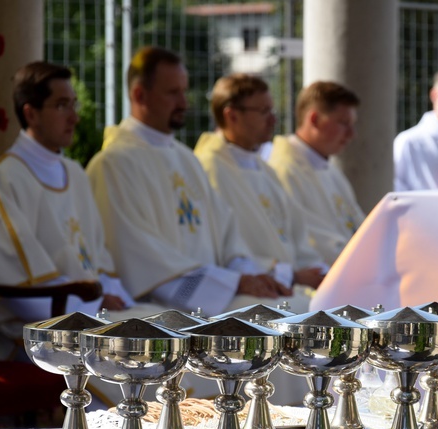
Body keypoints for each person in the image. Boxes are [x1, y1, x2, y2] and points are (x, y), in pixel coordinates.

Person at [0, 61, 158, 361]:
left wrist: (114, 301)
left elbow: (99, 260)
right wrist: (91, 308)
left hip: (89, 317)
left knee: (167, 332)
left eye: (73, 104)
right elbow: (13, 285)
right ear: (31, 113)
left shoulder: (74, 172)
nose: (74, 117)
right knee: (141, 359)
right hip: (31, 338)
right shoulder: (4, 178)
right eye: (61, 106)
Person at [86, 46, 293, 317]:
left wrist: (251, 276)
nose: (184, 103)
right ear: (139, 95)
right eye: (173, 93)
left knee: (293, 309)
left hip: (213, 298)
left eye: (184, 91)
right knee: (279, 318)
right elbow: (144, 263)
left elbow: (229, 237)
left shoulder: (186, 159)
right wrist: (232, 284)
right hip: (160, 311)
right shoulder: (114, 165)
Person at [193, 74, 328, 305]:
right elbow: (228, 254)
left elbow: (297, 235)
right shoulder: (210, 169)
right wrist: (291, 276)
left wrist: (315, 272)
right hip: (247, 291)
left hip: (286, 285)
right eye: (264, 111)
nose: (273, 120)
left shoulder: (265, 170)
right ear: (232, 115)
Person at [268, 81, 365, 265]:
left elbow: (361, 225)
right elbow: (309, 241)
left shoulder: (329, 169)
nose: (352, 134)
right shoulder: (284, 171)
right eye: (343, 123)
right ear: (314, 120)